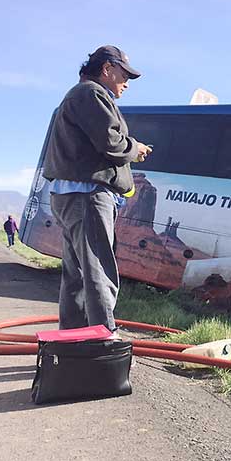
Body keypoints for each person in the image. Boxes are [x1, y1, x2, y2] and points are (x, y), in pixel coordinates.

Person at [42, 45, 151, 334]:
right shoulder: (92, 93)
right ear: (107, 69)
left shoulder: (79, 95)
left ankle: (73, 345)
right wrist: (135, 148)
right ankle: (104, 342)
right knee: (98, 271)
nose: (127, 82)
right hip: (88, 196)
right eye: (124, 74)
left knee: (77, 276)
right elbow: (112, 143)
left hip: (71, 195)